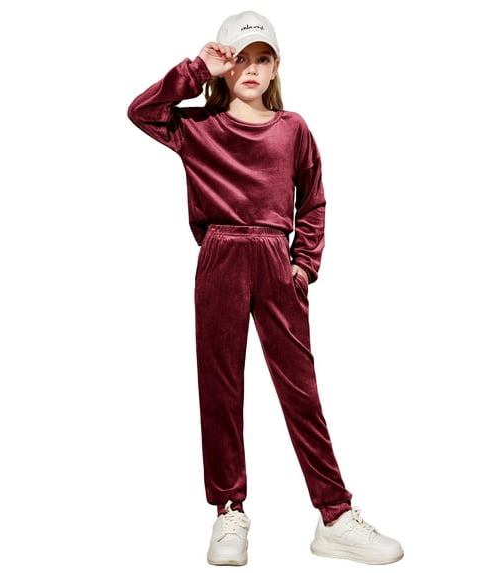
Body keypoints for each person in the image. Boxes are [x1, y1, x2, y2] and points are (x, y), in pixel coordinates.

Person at [128, 10, 403, 567]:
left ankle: (335, 516)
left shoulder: (293, 128)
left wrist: (304, 265)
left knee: (301, 391)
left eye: (262, 58)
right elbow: (142, 111)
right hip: (221, 255)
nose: (251, 69)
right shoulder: (198, 127)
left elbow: (313, 199)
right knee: (221, 388)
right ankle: (229, 512)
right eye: (239, 59)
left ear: (276, 67)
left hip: (278, 261)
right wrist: (196, 69)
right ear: (223, 66)